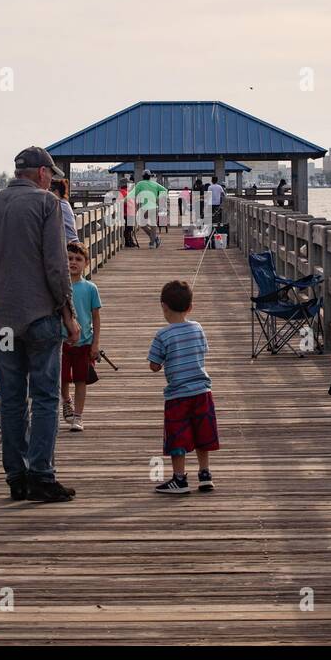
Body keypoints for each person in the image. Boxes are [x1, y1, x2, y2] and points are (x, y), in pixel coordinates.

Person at [0, 146, 79, 503]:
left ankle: (16, 477)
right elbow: (57, 266)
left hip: (4, 324)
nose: (52, 182)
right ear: (43, 173)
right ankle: (41, 475)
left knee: (12, 400)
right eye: (51, 176)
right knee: (44, 398)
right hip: (42, 318)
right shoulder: (49, 205)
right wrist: (68, 313)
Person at [148, 279, 218, 495]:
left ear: (163, 306)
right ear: (190, 307)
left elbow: (154, 366)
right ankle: (205, 474)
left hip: (178, 395)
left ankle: (179, 479)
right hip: (202, 392)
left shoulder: (162, 335)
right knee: (202, 434)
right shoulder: (198, 328)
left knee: (177, 436)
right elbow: (202, 351)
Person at [60, 241, 102, 432]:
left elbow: (96, 317)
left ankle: (78, 415)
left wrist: (95, 343)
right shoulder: (59, 288)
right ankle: (66, 400)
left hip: (84, 342)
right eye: (69, 258)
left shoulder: (90, 288)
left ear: (86, 263)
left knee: (80, 380)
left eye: (78, 259)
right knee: (61, 378)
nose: (73, 262)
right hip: (61, 341)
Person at [132, 169, 167, 248]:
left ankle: (153, 241)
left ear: (142, 176)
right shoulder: (154, 184)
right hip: (154, 206)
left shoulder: (140, 184)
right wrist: (157, 198)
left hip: (145, 207)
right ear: (150, 177)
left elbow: (134, 195)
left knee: (142, 223)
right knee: (152, 224)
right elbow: (165, 190)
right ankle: (154, 241)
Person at [52, 177, 78, 243]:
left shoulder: (58, 205)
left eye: (48, 190)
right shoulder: (65, 203)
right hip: (73, 241)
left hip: (68, 244)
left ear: (56, 192)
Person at [118, 178, 139, 247]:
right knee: (128, 228)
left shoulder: (125, 191)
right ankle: (128, 242)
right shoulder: (122, 192)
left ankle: (130, 240)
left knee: (130, 228)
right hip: (127, 213)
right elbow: (122, 201)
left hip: (129, 213)